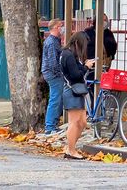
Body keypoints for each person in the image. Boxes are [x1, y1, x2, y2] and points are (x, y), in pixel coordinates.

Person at [60, 31, 95, 160]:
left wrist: (83, 65)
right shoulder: (68, 55)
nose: (83, 49)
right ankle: (71, 150)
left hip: (75, 90)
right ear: (76, 43)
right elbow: (75, 75)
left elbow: (76, 71)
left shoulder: (69, 54)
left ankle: (71, 147)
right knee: (75, 122)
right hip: (72, 90)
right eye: (82, 46)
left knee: (82, 122)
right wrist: (85, 67)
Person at [41, 19, 65, 135]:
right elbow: (52, 62)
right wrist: (60, 73)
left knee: (57, 99)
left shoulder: (54, 41)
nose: (62, 28)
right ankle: (50, 126)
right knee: (55, 99)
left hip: (52, 74)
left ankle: (52, 125)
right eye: (61, 26)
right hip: (53, 74)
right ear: (56, 27)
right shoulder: (51, 42)